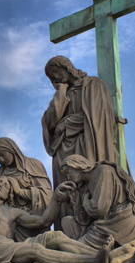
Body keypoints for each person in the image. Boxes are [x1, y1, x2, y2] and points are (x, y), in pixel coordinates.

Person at [0, 176, 135, 263]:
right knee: (35, 250)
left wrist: (56, 198)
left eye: (5, 184)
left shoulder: (13, 212)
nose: (0, 184)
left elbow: (43, 221)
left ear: (10, 193)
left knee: (54, 236)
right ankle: (95, 261)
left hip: (7, 246)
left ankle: (105, 256)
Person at [41, 56, 119, 229]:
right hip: (63, 151)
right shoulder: (62, 95)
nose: (55, 78)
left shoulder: (93, 85)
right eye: (51, 77)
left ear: (66, 67)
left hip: (88, 143)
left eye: (55, 72)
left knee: (86, 183)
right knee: (67, 190)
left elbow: (98, 116)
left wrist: (67, 123)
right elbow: (49, 123)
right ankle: (68, 230)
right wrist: (60, 93)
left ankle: (92, 226)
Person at [56, 154, 135, 263]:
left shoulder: (103, 171)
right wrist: (73, 197)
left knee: (73, 250)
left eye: (67, 172)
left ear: (77, 165)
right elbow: (83, 219)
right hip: (108, 222)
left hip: (118, 223)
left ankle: (106, 257)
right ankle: (109, 256)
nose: (67, 177)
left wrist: (85, 201)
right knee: (68, 223)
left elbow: (99, 210)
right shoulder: (87, 184)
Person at [0, 137, 53, 241]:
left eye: (2, 155)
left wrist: (20, 192)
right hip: (9, 223)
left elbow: (47, 194)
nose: (1, 160)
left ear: (11, 149)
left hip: (31, 219)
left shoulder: (33, 165)